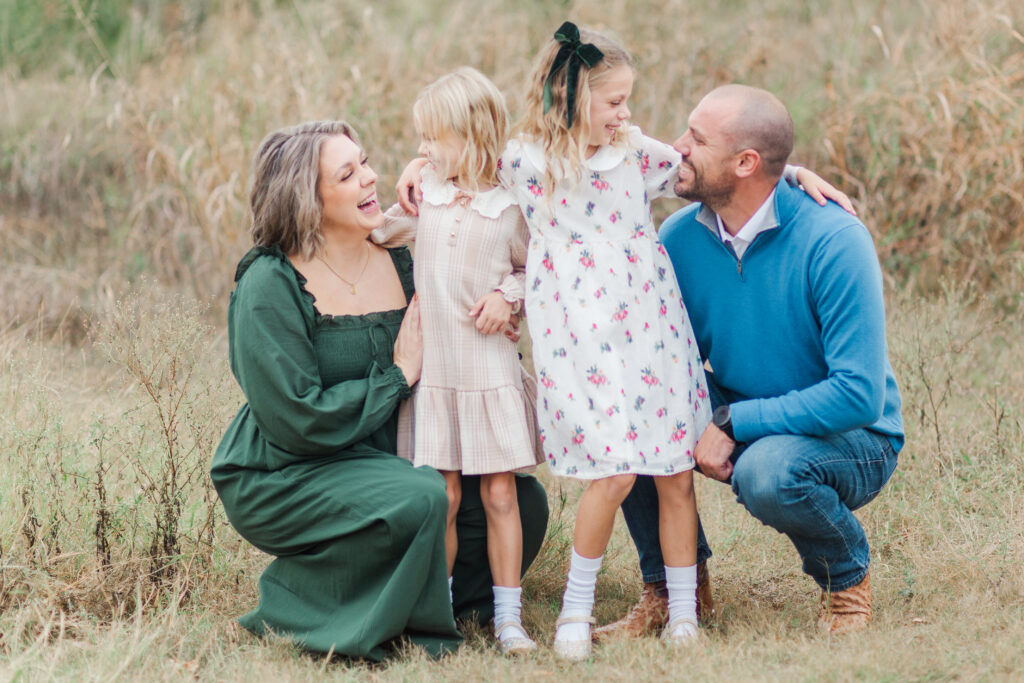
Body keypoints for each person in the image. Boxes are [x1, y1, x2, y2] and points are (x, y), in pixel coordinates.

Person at [399, 22, 843, 660]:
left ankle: (685, 610)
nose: (626, 113)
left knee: (673, 475)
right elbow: (461, 163)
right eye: (614, 102)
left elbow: (718, 171)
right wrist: (419, 162)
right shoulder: (523, 163)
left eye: (627, 101)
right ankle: (574, 614)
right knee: (611, 474)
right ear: (573, 97)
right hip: (577, 340)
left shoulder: (639, 156)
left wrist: (791, 171)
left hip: (650, 334)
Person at [210, 120, 548, 661]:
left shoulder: (399, 257)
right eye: (348, 174)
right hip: (289, 468)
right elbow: (295, 418)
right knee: (422, 497)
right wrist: (398, 375)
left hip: (385, 454)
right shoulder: (269, 282)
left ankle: (425, 598)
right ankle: (303, 602)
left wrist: (500, 315)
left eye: (364, 163)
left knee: (518, 502)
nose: (370, 178)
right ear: (308, 199)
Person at [614, 84, 904, 637]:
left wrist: (732, 422)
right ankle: (676, 592)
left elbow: (857, 395)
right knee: (634, 406)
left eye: (696, 139)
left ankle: (846, 583)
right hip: (745, 408)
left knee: (769, 472)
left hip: (854, 438)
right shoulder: (678, 238)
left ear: (746, 163)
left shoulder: (835, 240)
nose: (677, 148)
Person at [370, 67, 545, 655]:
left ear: (471, 135)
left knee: (500, 494)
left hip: (488, 369)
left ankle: (509, 617)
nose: (421, 148)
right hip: (438, 374)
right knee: (441, 496)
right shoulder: (426, 199)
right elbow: (377, 233)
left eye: (431, 138)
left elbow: (538, 268)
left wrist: (508, 296)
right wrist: (410, 175)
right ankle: (438, 611)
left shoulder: (514, 206)